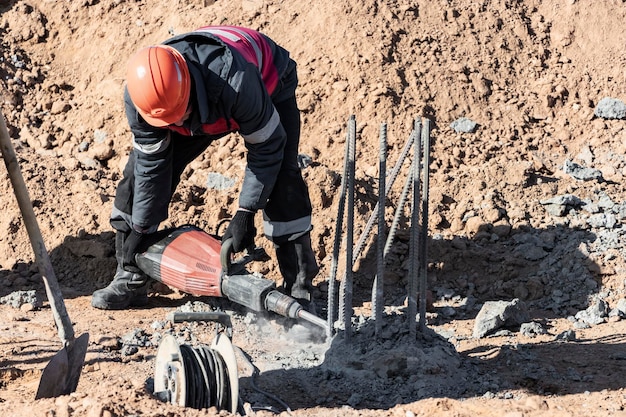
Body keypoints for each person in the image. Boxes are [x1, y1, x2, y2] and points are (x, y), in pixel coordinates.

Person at [91, 25, 319, 310]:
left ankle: (298, 288)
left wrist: (245, 212)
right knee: (137, 176)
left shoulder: (236, 83)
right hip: (204, 101)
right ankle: (130, 276)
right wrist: (140, 227)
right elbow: (152, 167)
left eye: (180, 117)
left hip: (268, 81)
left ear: (187, 89)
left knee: (284, 176)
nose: (177, 126)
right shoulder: (141, 100)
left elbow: (267, 148)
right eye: (168, 123)